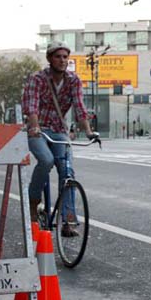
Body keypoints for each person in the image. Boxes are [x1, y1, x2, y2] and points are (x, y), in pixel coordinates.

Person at [21, 41, 96, 236]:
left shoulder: (73, 80)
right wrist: (35, 126)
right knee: (46, 161)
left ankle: (68, 221)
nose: (62, 61)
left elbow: (79, 107)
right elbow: (31, 106)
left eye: (65, 57)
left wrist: (88, 132)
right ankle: (33, 201)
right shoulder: (37, 79)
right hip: (39, 130)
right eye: (58, 57)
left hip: (59, 130)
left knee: (67, 171)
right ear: (49, 59)